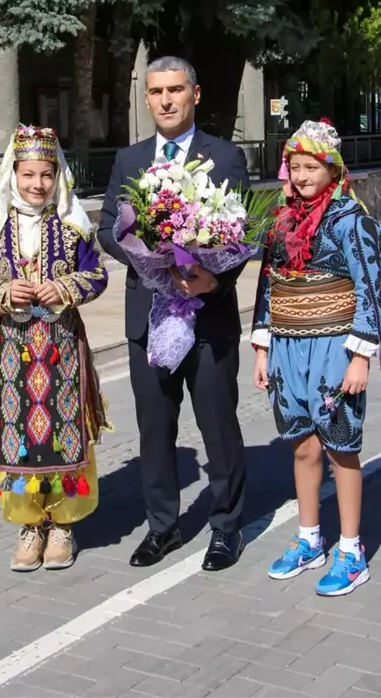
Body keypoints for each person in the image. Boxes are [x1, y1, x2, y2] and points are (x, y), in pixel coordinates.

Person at [98, 56, 250, 572]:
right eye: (157, 91)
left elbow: (241, 233)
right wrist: (150, 259)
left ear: (195, 95)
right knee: (154, 430)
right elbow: (105, 230)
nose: (166, 100)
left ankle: (227, 527)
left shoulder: (225, 157)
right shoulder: (129, 159)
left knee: (217, 426)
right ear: (146, 98)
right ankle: (163, 527)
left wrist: (216, 277)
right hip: (149, 318)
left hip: (207, 321)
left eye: (176, 90)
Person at [251, 118, 381, 596]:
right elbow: (267, 285)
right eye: (295, 166)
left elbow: (372, 287)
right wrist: (262, 346)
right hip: (288, 347)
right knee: (302, 444)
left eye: (312, 166)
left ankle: (351, 550)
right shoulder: (280, 221)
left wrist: (361, 357)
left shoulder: (351, 222)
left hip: (335, 346)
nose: (302, 175)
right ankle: (309, 538)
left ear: (333, 170)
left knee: (340, 446)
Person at [0, 124, 111, 572]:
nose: (37, 184)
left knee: (64, 427)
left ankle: (63, 524)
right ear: (13, 175)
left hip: (62, 348)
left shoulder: (71, 225)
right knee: (20, 432)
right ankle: (30, 525)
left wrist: (64, 287)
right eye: (28, 175)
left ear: (58, 175)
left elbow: (98, 276)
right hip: (11, 348)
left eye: (46, 175)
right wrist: (6, 293)